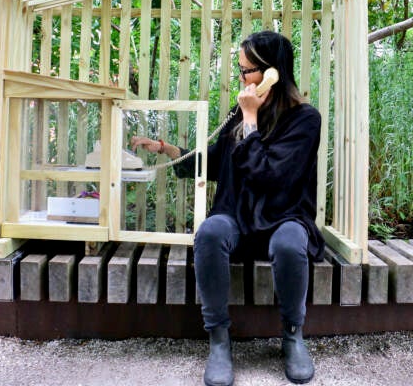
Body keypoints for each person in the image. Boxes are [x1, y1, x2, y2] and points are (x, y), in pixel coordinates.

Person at [131, 30, 323, 386]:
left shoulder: (305, 120)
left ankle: (293, 335)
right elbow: (215, 162)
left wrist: (250, 121)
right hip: (237, 216)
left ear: (272, 74)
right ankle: (219, 340)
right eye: (240, 69)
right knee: (209, 232)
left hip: (284, 217)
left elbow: (271, 175)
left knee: (288, 243)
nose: (241, 78)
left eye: (247, 71)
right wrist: (165, 149)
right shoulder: (239, 114)